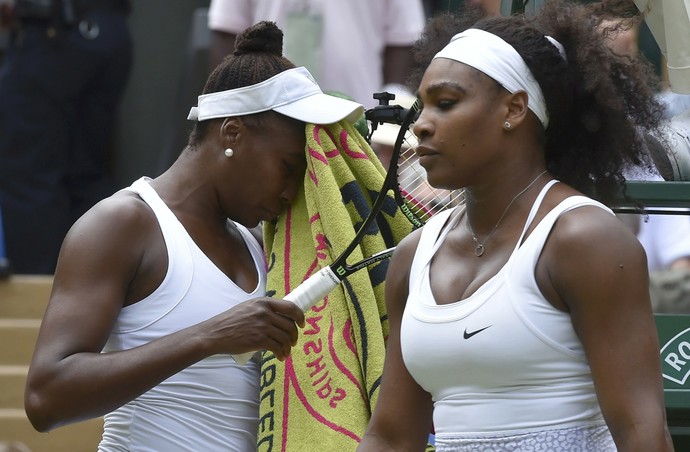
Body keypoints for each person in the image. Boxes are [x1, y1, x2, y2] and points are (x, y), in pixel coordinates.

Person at [24, 21, 364, 451]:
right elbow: (45, 398)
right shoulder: (123, 223)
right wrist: (210, 336)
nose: (291, 190)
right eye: (289, 166)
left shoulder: (261, 244)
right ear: (233, 133)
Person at [357, 1, 673, 450]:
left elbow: (641, 433)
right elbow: (390, 436)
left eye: (445, 103)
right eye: (422, 107)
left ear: (514, 108)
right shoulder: (413, 255)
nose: (422, 126)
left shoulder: (584, 240)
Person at [0, 0, 133, 275]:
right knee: (86, 175)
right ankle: (93, 296)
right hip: (110, 26)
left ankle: (39, 307)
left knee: (30, 178)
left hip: (50, 27)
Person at [206, 0, 426, 109]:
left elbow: (404, 39)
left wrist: (386, 124)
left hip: (357, 122)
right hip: (265, 115)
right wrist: (232, 108)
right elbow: (228, 32)